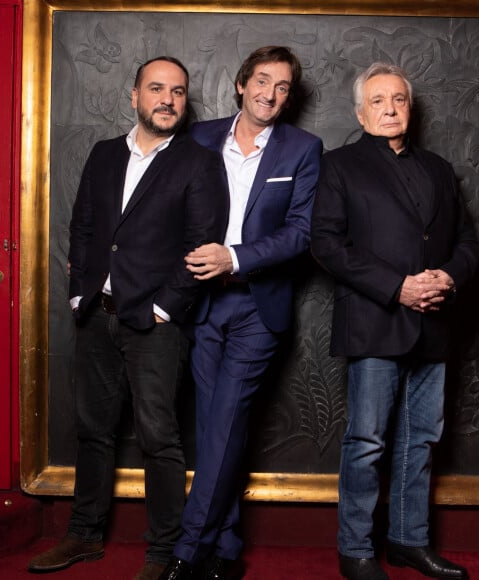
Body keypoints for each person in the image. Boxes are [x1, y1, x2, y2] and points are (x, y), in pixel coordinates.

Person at [27, 56, 228, 580]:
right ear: (133, 96)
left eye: (179, 92)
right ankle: (85, 535)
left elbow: (201, 244)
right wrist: (78, 295)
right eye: (157, 89)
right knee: (92, 430)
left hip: (156, 324)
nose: (168, 99)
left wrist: (164, 308)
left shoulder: (199, 163)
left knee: (159, 438)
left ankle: (163, 553)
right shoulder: (103, 154)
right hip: (96, 314)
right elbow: (84, 227)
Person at [310, 62, 479, 580]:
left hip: (433, 323)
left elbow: (470, 245)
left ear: (411, 107)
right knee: (367, 442)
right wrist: (397, 287)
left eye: (399, 99)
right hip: (375, 319)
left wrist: (447, 278)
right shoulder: (339, 166)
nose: (390, 108)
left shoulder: (438, 168)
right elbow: (326, 245)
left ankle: (409, 541)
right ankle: (356, 549)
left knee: (422, 438)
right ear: (361, 111)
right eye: (379, 100)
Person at [158, 46, 323, 580]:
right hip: (199, 301)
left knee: (225, 420)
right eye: (261, 81)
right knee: (212, 427)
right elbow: (170, 209)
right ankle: (226, 548)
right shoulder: (199, 137)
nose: (269, 94)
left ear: (289, 96)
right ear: (240, 84)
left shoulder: (303, 148)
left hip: (258, 304)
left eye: (281, 87)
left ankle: (189, 550)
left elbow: (301, 233)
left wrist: (235, 257)